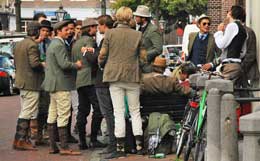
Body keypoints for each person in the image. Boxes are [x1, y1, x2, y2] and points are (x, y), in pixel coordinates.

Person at [98, 6, 144, 158]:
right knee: (135, 111)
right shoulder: (138, 34)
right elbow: (143, 58)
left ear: (117, 17)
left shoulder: (110, 33)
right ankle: (139, 146)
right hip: (132, 76)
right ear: (130, 17)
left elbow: (102, 55)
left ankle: (120, 149)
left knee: (118, 112)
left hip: (114, 76)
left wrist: (102, 65)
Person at [42, 20, 82, 155]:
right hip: (61, 85)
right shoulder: (59, 45)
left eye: (70, 30)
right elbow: (64, 64)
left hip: (53, 84)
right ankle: (64, 147)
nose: (69, 32)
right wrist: (76, 65)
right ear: (58, 31)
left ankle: (53, 146)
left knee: (52, 115)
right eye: (66, 30)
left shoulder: (53, 44)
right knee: (64, 115)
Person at [83, 14, 116, 157]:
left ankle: (113, 144)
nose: (98, 28)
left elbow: (99, 59)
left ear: (104, 25)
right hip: (112, 79)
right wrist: (94, 51)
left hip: (102, 81)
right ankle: (116, 142)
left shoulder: (106, 39)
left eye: (99, 25)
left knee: (107, 113)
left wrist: (87, 53)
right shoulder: (113, 38)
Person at [72, 18, 106, 150]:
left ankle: (82, 140)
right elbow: (93, 59)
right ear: (89, 28)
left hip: (80, 80)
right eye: (94, 27)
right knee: (98, 109)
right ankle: (93, 139)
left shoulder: (76, 43)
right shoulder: (89, 41)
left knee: (83, 110)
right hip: (90, 79)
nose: (96, 29)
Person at [13, 21, 45, 151]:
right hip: (31, 83)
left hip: (21, 82)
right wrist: (43, 65)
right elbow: (34, 64)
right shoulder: (32, 45)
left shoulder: (19, 44)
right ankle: (20, 140)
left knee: (24, 110)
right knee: (27, 112)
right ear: (37, 31)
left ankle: (21, 139)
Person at [213, 5, 247, 85]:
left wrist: (219, 32)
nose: (227, 13)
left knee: (222, 92)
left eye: (228, 11)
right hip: (237, 65)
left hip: (230, 66)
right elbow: (243, 52)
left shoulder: (232, 26)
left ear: (231, 13)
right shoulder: (243, 29)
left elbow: (221, 44)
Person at [35, 19, 53, 146]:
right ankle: (37, 133)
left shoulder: (51, 43)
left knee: (46, 107)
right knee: (37, 108)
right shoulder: (34, 43)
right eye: (43, 30)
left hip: (48, 79)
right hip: (36, 79)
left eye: (47, 31)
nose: (45, 33)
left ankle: (45, 132)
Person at [134, 5, 163, 73]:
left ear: (143, 18)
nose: (135, 18)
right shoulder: (139, 29)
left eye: (137, 16)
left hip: (148, 68)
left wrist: (143, 55)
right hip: (140, 67)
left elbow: (158, 49)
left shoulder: (153, 30)